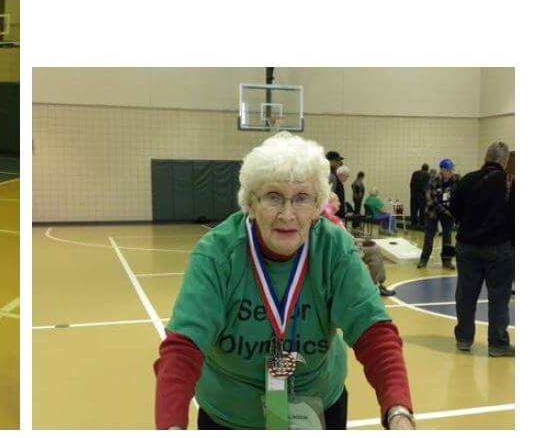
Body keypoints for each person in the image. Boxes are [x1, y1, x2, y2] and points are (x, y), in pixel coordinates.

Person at [154, 132, 414, 430]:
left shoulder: (334, 248)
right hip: (232, 415)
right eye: (273, 197)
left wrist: (398, 413)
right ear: (251, 203)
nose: (288, 214)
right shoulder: (217, 254)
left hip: (317, 405)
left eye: (302, 198)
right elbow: (183, 347)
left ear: (318, 205)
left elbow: (373, 331)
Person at [449, 142, 514, 357]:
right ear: (504, 162)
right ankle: (497, 344)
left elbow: (454, 209)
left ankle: (464, 339)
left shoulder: (468, 179)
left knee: (466, 294)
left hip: (467, 246)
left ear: (486, 158)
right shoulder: (508, 183)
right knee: (498, 297)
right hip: (498, 247)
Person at [418, 159, 459, 269]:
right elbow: (433, 200)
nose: (450, 172)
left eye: (452, 170)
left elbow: (457, 196)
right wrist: (446, 211)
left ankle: (447, 261)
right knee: (429, 237)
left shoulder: (455, 180)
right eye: (448, 170)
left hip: (448, 213)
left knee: (447, 237)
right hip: (433, 212)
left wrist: (454, 210)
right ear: (442, 170)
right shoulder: (434, 180)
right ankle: (423, 260)